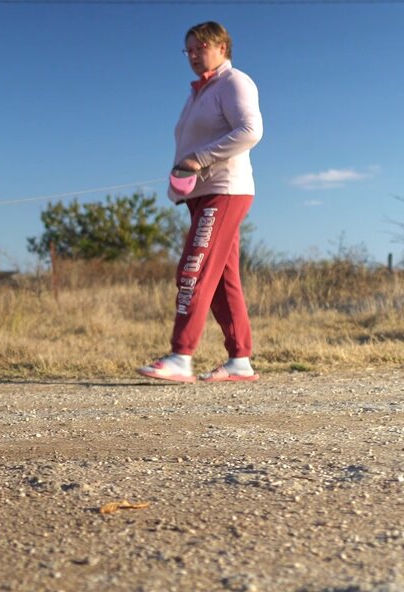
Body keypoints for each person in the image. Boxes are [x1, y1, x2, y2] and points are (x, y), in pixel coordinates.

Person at [138, 21, 263, 383]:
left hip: (225, 190)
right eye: (188, 49)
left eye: (201, 47)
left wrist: (200, 158)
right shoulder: (198, 93)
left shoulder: (234, 82)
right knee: (223, 278)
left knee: (192, 269)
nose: (193, 55)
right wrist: (181, 184)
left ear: (223, 47)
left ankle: (181, 355)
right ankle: (240, 361)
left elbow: (250, 130)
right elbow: (188, 148)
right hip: (201, 193)